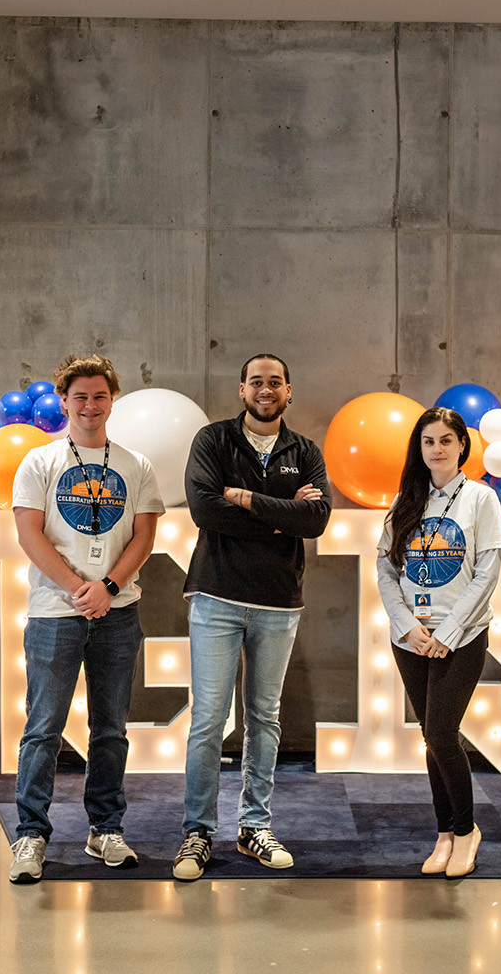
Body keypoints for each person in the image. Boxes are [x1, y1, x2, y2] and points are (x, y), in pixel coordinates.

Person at [6, 354, 165, 884]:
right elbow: (30, 534)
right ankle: (30, 835)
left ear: (111, 399)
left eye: (99, 396)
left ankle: (105, 828)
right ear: (64, 402)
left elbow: (144, 536)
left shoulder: (136, 465)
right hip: (56, 612)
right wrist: (79, 587)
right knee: (43, 728)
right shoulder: (39, 462)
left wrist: (110, 587)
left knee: (111, 728)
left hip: (117, 612)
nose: (90, 405)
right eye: (81, 397)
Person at [173, 353, 332, 881]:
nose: (266, 390)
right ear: (242, 390)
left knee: (264, 718)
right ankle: (197, 832)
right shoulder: (213, 442)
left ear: (289, 391)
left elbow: (316, 520)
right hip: (217, 596)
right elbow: (204, 510)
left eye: (275, 383)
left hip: (279, 601)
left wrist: (243, 498)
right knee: (208, 720)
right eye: (256, 382)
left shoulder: (304, 451)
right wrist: (279, 514)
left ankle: (253, 827)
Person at [376, 407, 501, 877]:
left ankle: (467, 830)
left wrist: (448, 633)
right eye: (429, 441)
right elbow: (387, 570)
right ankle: (445, 833)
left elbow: (487, 572)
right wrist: (407, 625)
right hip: (411, 638)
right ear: (420, 448)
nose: (437, 449)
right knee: (432, 738)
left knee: (442, 733)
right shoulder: (405, 502)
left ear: (461, 446)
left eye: (446, 440)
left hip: (462, 636)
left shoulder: (480, 499)